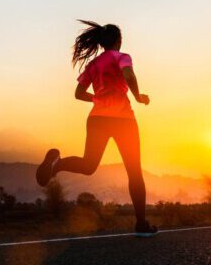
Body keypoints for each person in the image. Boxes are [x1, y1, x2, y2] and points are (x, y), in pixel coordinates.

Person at [36, 20, 158, 237]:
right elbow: (128, 75)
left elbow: (78, 93)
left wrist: (98, 99)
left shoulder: (93, 65)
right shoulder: (122, 57)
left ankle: (56, 166)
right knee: (134, 171)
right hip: (123, 120)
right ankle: (140, 225)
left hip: (97, 119)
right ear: (118, 41)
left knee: (88, 164)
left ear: (101, 43)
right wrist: (138, 97)